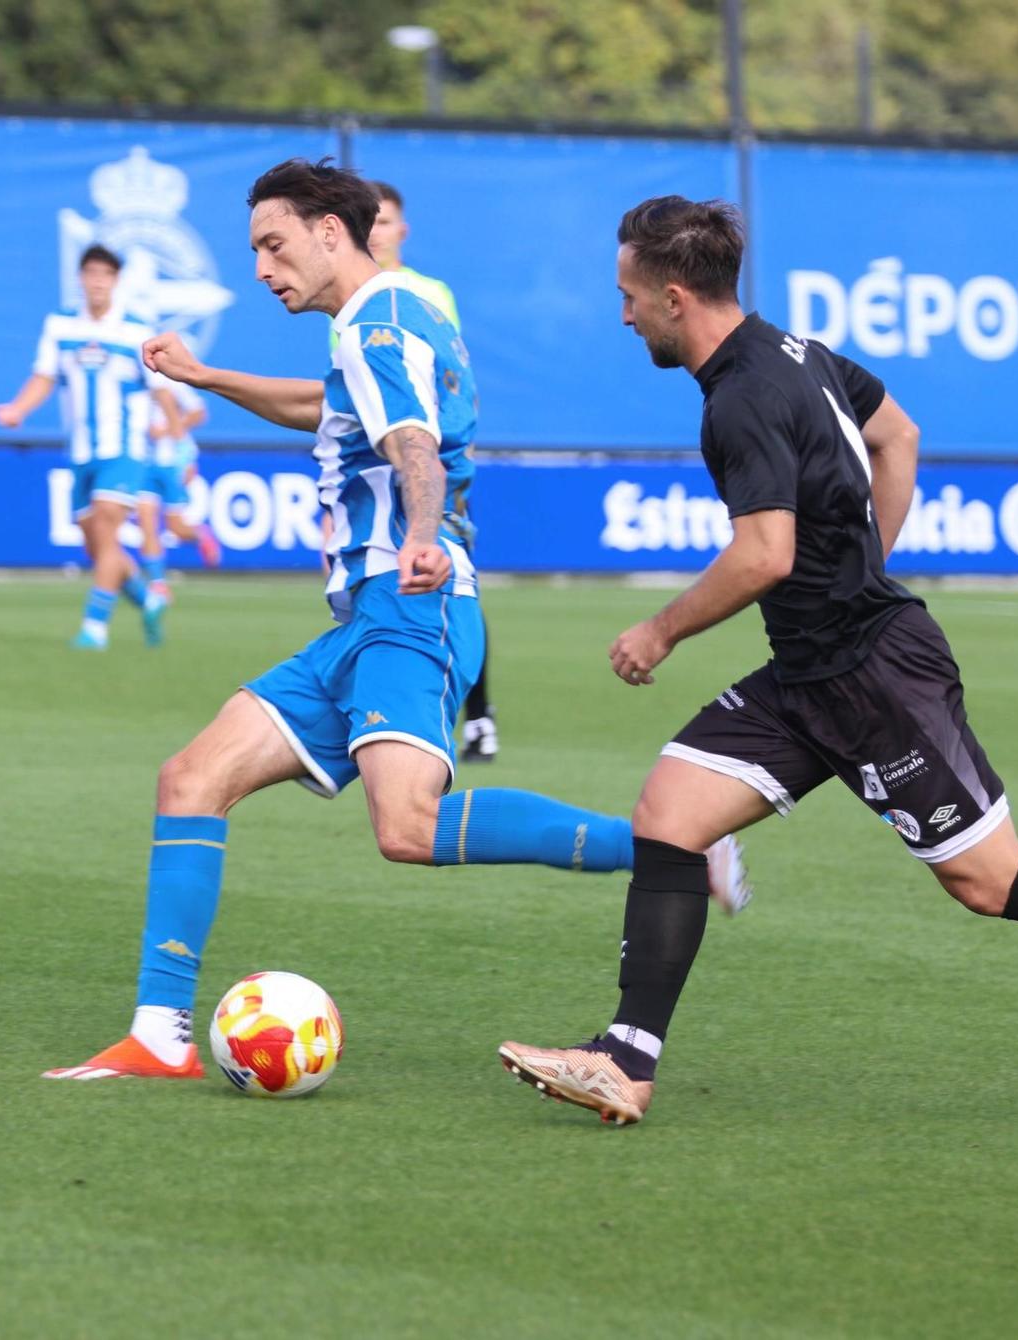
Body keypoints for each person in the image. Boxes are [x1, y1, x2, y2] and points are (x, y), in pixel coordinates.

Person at [497, 196, 1018, 1126]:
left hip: (873, 676)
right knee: (669, 817)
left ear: (675, 297)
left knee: (989, 881)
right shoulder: (795, 350)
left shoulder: (741, 399)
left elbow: (764, 555)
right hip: (808, 671)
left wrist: (659, 632)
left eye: (628, 296)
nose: (621, 314)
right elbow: (897, 434)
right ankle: (626, 1062)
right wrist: (867, 559)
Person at [43, 159, 742, 1083]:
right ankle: (160, 1033)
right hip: (364, 620)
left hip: (411, 606)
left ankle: (673, 848)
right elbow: (335, 408)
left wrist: (420, 534)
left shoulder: (373, 326)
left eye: (273, 244)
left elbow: (408, 436)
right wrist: (210, 376)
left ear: (333, 233)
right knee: (190, 777)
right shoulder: (416, 301)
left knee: (407, 827)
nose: (260, 267)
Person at [337, 182, 499, 763]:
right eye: (370, 222)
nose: (377, 231)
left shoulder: (418, 297)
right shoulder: (349, 306)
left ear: (402, 231)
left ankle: (476, 717)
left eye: (387, 222)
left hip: (424, 471)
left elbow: (427, 389)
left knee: (447, 579)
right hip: (371, 480)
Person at [0, 244, 183, 649]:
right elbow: (44, 376)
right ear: (80, 279)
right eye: (91, 274)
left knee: (105, 527)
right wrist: (18, 409)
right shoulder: (61, 326)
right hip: (81, 452)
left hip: (125, 450)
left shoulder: (135, 329)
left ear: (115, 281)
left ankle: (94, 627)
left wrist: (173, 428)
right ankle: (148, 597)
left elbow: (160, 386)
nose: (97, 282)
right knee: (98, 546)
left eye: (105, 275)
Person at [134, 377, 222, 604]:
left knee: (176, 527)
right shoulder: (132, 387)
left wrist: (169, 430)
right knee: (146, 523)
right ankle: (157, 583)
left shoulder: (171, 386)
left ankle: (200, 534)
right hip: (143, 463)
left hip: (173, 462)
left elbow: (199, 413)